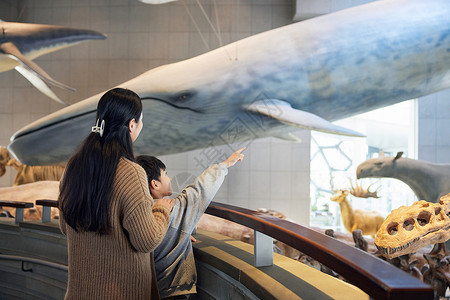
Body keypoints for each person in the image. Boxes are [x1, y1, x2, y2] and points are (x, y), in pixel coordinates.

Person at [58, 88, 173, 299]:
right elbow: (146, 240)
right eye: (140, 121)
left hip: (79, 292)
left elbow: (65, 227)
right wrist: (161, 210)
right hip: (120, 292)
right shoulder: (131, 172)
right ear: (132, 125)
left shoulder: (73, 166)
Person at [136, 147, 245, 299]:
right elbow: (200, 190)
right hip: (173, 291)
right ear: (154, 184)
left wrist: (183, 235)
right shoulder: (172, 210)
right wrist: (225, 164)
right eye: (165, 174)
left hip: (143, 290)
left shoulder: (135, 214)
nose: (169, 178)